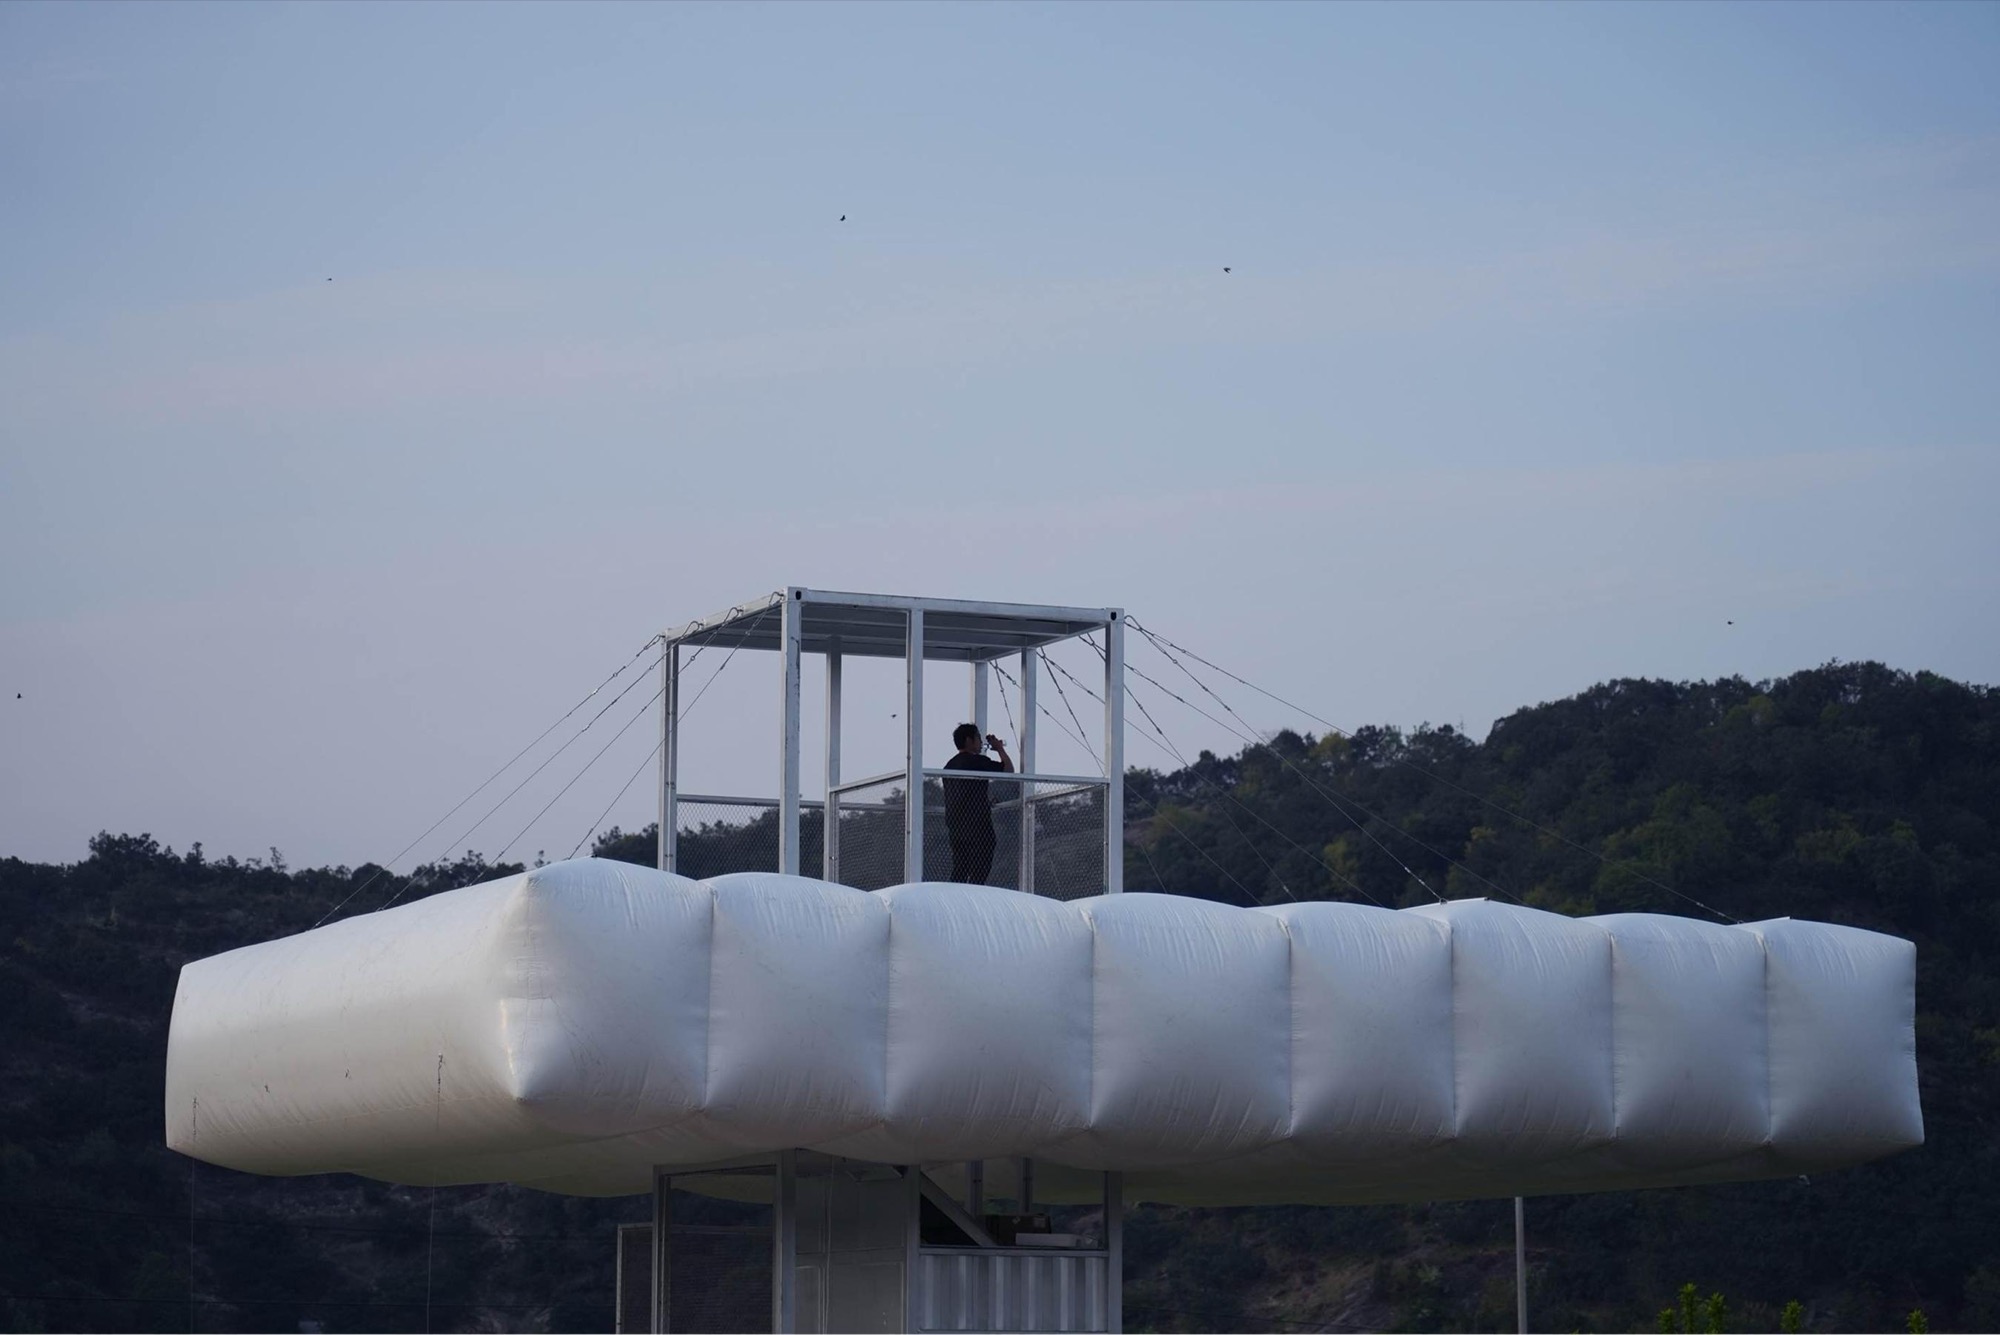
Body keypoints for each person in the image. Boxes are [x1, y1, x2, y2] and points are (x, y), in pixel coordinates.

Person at [943, 722, 1013, 884]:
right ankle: (975, 894)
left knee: (960, 867)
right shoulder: (977, 761)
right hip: (978, 825)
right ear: (969, 740)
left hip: (955, 825)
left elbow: (963, 795)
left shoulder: (949, 766)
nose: (981, 743)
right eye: (978, 738)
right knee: (980, 865)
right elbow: (1008, 771)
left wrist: (985, 802)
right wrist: (999, 749)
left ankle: (955, 897)